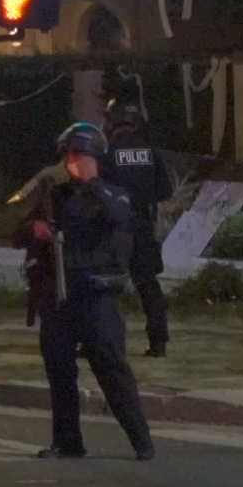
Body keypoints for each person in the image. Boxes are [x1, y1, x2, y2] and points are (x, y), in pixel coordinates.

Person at [14, 123, 155, 462]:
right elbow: (16, 230)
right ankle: (67, 442)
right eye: (70, 156)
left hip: (96, 297)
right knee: (60, 371)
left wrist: (90, 182)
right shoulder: (55, 195)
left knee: (112, 369)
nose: (73, 162)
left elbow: (117, 214)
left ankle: (142, 442)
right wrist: (35, 229)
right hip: (59, 298)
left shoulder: (112, 193)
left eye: (80, 156)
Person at [101, 97, 175, 358]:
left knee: (106, 288)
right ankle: (158, 343)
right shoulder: (150, 153)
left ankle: (101, 342)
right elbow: (165, 190)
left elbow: (96, 189)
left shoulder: (107, 153)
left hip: (115, 229)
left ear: (111, 122)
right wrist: (143, 197)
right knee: (149, 286)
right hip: (143, 226)